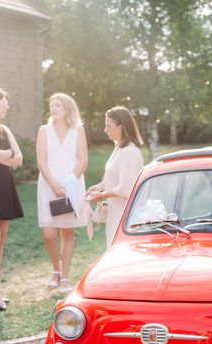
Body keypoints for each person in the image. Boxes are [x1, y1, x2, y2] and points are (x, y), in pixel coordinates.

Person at [36, 93, 88, 294]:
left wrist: (67, 183)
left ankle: (65, 275)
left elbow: (83, 160)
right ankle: (55, 270)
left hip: (71, 186)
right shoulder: (44, 130)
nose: (53, 108)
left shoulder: (78, 130)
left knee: (67, 232)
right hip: (48, 186)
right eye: (51, 105)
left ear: (67, 108)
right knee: (49, 234)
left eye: (58, 105)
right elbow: (41, 161)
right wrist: (54, 185)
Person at [0, 88, 23, 311]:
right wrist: (7, 154)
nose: (7, 105)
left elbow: (19, 159)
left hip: (3, 186)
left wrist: (3, 155)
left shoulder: (5, 130)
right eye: (3, 102)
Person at [86, 106, 144, 249]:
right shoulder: (119, 148)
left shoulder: (129, 152)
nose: (105, 130)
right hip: (115, 212)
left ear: (121, 127)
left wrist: (101, 195)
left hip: (124, 217)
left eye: (108, 126)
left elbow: (126, 188)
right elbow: (115, 177)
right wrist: (99, 187)